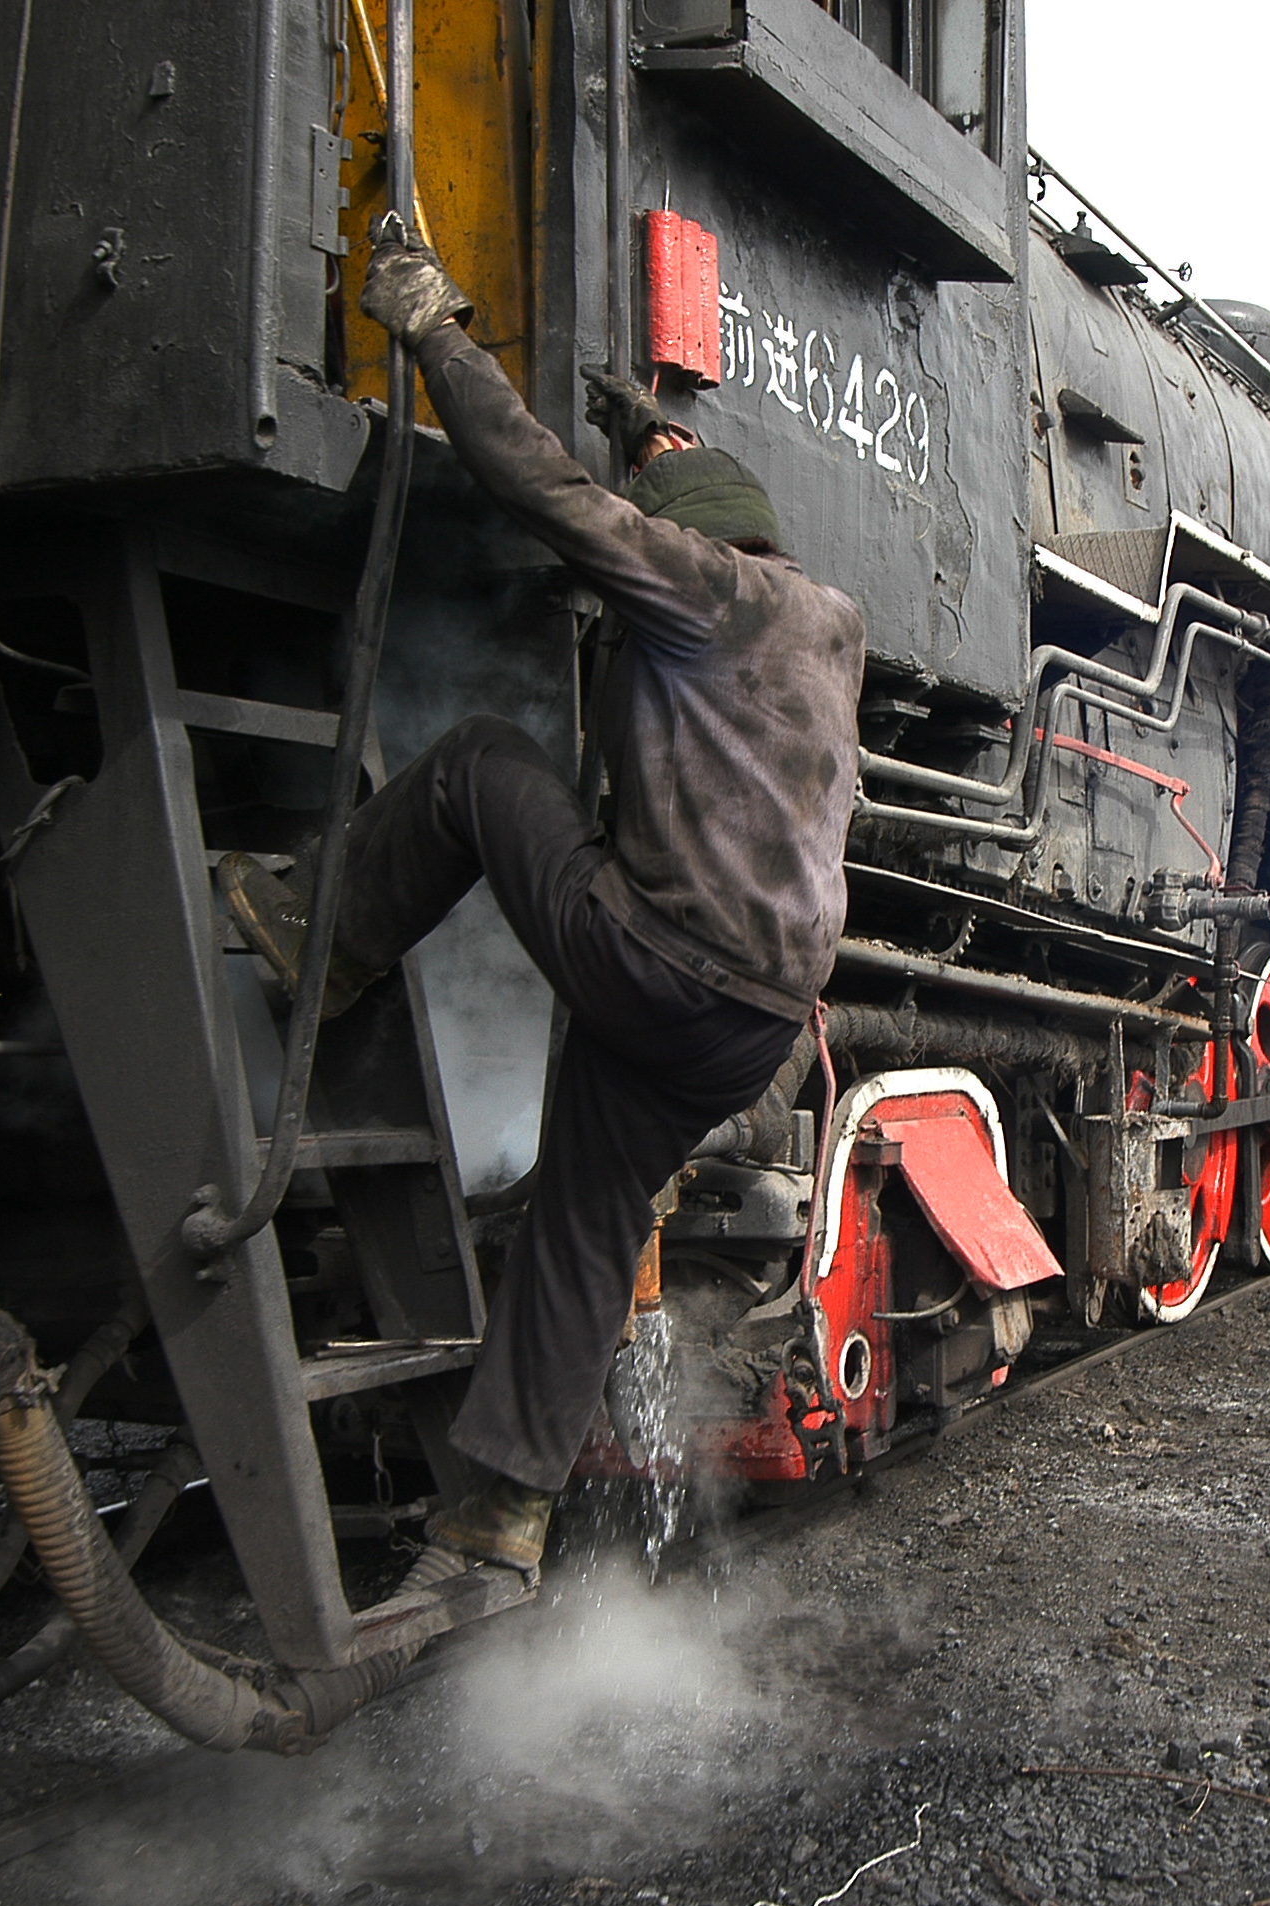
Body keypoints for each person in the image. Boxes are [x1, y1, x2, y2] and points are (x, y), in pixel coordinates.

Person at [218, 238, 866, 1576]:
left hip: (660, 963)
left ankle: (316, 941)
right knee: (586, 1210)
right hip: (754, 1024)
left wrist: (439, 336)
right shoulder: (828, 623)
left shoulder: (703, 590)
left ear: (691, 542)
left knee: (472, 764)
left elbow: (547, 493)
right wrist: (669, 452)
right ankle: (505, 1509)